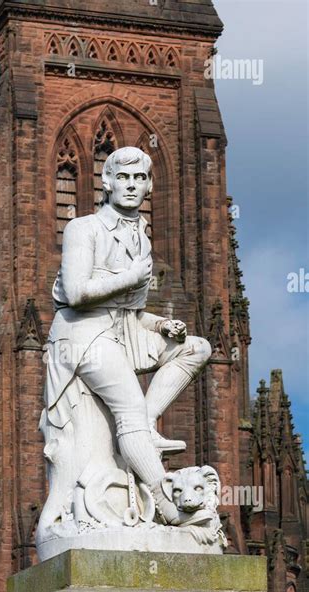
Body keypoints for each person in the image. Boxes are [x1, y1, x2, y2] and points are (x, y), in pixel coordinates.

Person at [45, 146, 211, 508]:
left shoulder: (142, 239)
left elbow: (133, 313)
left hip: (124, 330)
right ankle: (166, 504)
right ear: (106, 182)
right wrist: (131, 276)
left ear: (150, 184)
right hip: (83, 333)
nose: (132, 186)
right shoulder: (82, 228)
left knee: (197, 348)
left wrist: (163, 324)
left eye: (139, 178)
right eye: (123, 177)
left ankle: (145, 425)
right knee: (128, 410)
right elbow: (75, 293)